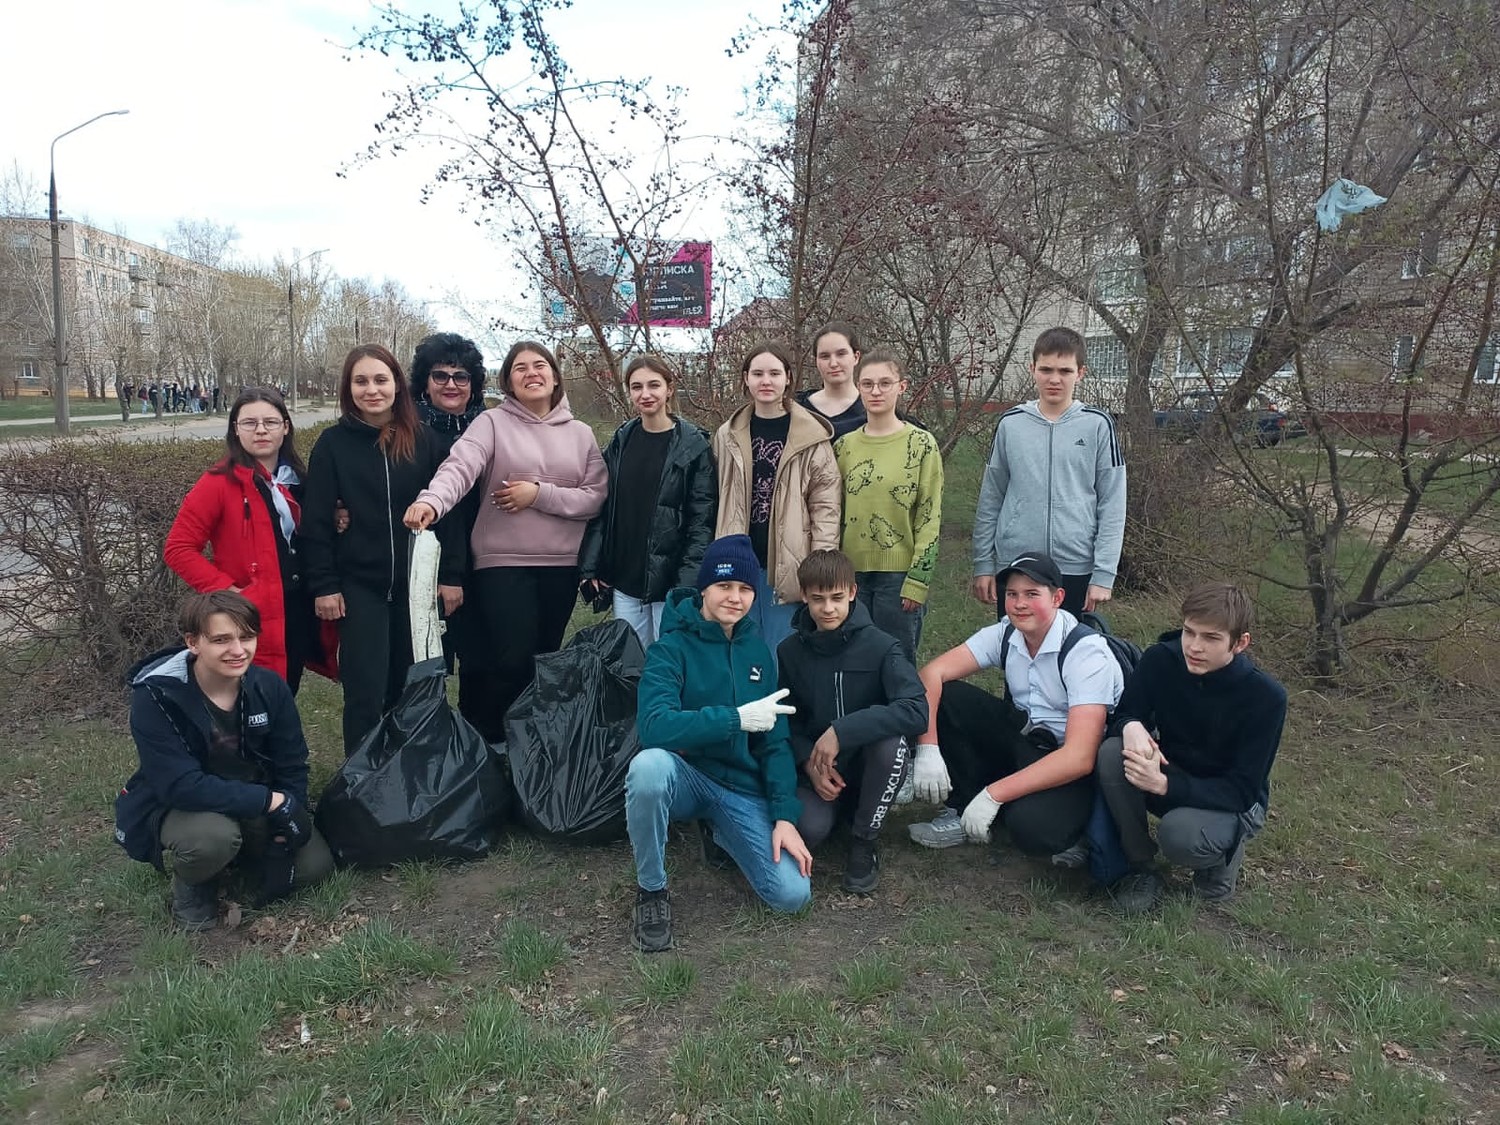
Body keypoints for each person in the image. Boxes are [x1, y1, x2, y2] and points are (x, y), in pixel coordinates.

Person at [404, 340, 606, 741]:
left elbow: (595, 497)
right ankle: (491, 742)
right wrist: (431, 501)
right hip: (503, 564)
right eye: (520, 368)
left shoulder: (582, 434)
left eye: (540, 365)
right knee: (509, 661)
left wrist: (539, 494)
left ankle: (529, 753)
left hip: (561, 567)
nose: (532, 372)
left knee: (543, 660)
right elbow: (459, 469)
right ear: (509, 383)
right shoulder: (491, 424)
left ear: (554, 376)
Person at [625, 534, 813, 952]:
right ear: (705, 588)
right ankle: (651, 891)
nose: (735, 597)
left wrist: (784, 816)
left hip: (739, 788)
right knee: (648, 768)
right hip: (687, 778)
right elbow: (654, 727)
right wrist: (735, 719)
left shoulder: (760, 653)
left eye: (745, 589)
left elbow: (776, 743)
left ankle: (719, 831)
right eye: (725, 586)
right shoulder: (670, 648)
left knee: (792, 895)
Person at [114, 591, 334, 930]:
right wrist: (269, 802)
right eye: (221, 640)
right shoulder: (156, 697)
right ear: (193, 642)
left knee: (314, 866)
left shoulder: (269, 686)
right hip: (185, 804)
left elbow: (292, 762)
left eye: (246, 637)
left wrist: (291, 811)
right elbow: (179, 786)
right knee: (211, 840)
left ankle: (244, 857)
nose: (238, 650)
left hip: (252, 796)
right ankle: (193, 885)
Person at [301, 344, 466, 757]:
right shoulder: (332, 444)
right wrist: (324, 585)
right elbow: (317, 520)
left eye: (380, 379)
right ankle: (362, 784)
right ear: (348, 388)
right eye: (361, 381)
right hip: (360, 587)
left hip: (419, 589)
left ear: (397, 385)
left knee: (413, 686)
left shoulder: (425, 440)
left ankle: (411, 773)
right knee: (365, 690)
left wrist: (451, 576)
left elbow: (451, 514)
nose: (371, 390)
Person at [907, 551, 1124, 859]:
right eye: (1012, 594)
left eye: (1032, 594)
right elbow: (932, 673)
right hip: (1024, 741)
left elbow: (1079, 757)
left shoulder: (1086, 653)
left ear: (1058, 597)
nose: (1020, 604)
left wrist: (995, 794)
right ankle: (962, 807)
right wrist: (927, 748)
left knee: (1031, 829)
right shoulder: (1007, 631)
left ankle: (1076, 828)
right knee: (949, 696)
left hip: (1069, 764)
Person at [1096, 583, 1287, 913]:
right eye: (1189, 632)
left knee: (1179, 835)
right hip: (1173, 769)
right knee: (1113, 753)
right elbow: (1125, 712)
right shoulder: (1161, 659)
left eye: (1211, 638)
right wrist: (1131, 727)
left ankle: (1219, 866)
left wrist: (1166, 785)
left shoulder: (1266, 698)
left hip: (1232, 800)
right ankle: (1141, 866)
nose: (1194, 647)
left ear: (1240, 643)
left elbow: (1242, 790)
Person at [777, 549, 927, 894]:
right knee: (811, 830)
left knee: (892, 745)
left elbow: (916, 709)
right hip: (820, 769)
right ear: (804, 596)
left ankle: (864, 840)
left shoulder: (882, 645)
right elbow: (787, 719)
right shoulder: (789, 652)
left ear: (853, 593)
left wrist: (842, 732)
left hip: (868, 766)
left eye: (836, 598)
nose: (828, 608)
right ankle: (839, 817)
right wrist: (807, 762)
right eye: (817, 599)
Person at [164, 387, 323, 691]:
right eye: (249, 423)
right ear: (235, 430)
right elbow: (178, 548)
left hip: (298, 608)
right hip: (250, 613)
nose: (261, 430)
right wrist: (228, 591)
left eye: (271, 422)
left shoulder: (298, 480)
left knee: (284, 693)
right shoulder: (218, 482)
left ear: (285, 427)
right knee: (250, 698)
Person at [972, 327, 1126, 618]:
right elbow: (991, 497)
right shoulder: (1011, 424)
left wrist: (1104, 573)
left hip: (1075, 566)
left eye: (1065, 371)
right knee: (1016, 653)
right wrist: (983, 564)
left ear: (1081, 372)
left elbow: (1112, 502)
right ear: (1032, 369)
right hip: (1017, 563)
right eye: (1046, 369)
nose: (1054, 379)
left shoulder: (1098, 425)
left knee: (1069, 658)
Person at [712, 342, 842, 661]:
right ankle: (744, 712)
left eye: (774, 373)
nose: (765, 381)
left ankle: (781, 712)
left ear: (788, 378)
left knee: (780, 651)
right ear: (745, 379)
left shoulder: (811, 438)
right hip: (739, 559)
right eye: (757, 373)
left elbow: (825, 507)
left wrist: (821, 566)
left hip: (789, 563)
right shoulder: (726, 436)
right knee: (739, 648)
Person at [578, 354, 718, 648]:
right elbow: (603, 508)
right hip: (626, 582)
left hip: (671, 584)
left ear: (669, 388)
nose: (645, 394)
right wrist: (592, 566)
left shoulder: (694, 447)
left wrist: (686, 585)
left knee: (669, 665)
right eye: (636, 386)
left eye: (654, 385)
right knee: (628, 666)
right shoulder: (621, 441)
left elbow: (701, 523)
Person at [835, 348, 943, 664]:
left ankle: (902, 715)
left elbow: (929, 516)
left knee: (896, 663)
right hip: (851, 576)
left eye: (885, 383)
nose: (876, 391)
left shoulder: (921, 444)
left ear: (902, 386)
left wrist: (918, 580)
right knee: (854, 661)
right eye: (867, 384)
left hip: (899, 578)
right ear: (858, 387)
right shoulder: (844, 447)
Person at [409, 332, 489, 723]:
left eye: (461, 377)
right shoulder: (411, 430)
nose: (451, 385)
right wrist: (450, 572)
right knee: (429, 659)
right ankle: (430, 741)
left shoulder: (485, 425)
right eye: (440, 376)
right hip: (432, 564)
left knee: (481, 659)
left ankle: (475, 742)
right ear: (424, 381)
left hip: (488, 558)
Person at [797, 321, 866, 438]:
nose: (833, 363)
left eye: (841, 354)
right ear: (816, 361)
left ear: (856, 357)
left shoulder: (872, 409)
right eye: (825, 356)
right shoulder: (797, 408)